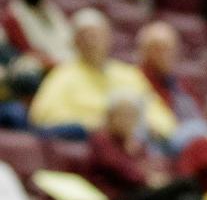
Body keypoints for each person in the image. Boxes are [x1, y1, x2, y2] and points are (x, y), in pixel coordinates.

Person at [29, 8, 176, 138]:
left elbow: (163, 118)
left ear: (109, 37)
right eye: (85, 35)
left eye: (97, 35)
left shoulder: (128, 74)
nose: (91, 41)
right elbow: (43, 116)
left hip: (140, 141)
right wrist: (100, 125)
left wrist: (155, 128)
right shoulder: (63, 74)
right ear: (74, 41)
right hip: (95, 142)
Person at [87, 90, 172, 200]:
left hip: (139, 191)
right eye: (124, 115)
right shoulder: (101, 139)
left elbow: (149, 165)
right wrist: (147, 179)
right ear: (110, 116)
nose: (128, 121)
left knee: (182, 192)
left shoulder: (135, 142)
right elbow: (118, 169)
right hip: (116, 195)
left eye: (133, 116)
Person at [2, 0, 73, 68]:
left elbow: (68, 40)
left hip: (67, 61)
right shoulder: (12, 16)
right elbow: (27, 52)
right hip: (43, 67)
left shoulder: (52, 10)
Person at [138, 20, 203, 128]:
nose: (168, 55)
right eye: (159, 49)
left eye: (171, 49)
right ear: (144, 51)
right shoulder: (134, 80)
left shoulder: (183, 84)